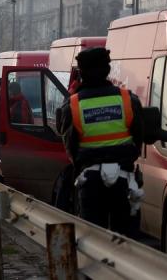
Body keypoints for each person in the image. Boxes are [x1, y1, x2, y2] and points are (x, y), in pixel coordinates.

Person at [58, 47, 146, 235]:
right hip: (124, 180)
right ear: (107, 70)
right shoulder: (128, 99)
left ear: (81, 74)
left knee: (92, 237)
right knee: (126, 240)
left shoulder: (72, 105)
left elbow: (70, 146)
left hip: (90, 182)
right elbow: (139, 136)